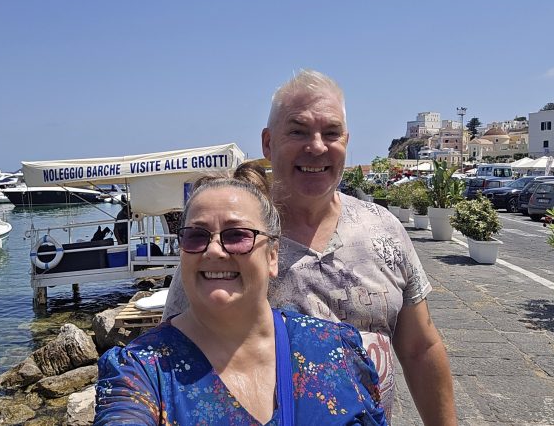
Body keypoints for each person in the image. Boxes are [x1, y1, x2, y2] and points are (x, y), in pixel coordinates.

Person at [163, 70, 457, 425]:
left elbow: (420, 348)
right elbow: (173, 358)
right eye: (298, 131)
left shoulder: (385, 230)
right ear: (268, 143)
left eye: (331, 133)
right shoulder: (226, 245)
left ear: (346, 141)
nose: (317, 146)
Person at [94, 162, 387, 425]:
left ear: (273, 256)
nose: (213, 250)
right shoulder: (144, 370)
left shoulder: (335, 349)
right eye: (197, 236)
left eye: (237, 236)